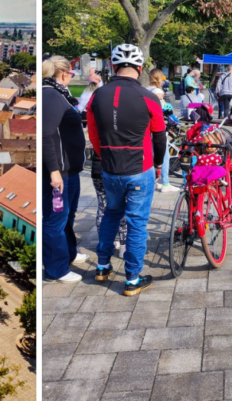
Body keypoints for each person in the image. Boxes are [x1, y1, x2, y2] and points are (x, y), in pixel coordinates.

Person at [87, 44, 166, 296]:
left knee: (111, 214)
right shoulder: (149, 97)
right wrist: (158, 164)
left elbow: (93, 134)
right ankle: (132, 279)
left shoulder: (97, 96)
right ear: (140, 68)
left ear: (112, 66)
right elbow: (160, 136)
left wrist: (105, 156)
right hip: (139, 168)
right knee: (136, 224)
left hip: (110, 168)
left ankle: (102, 266)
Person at [42, 56, 88, 283]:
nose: (71, 77)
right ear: (63, 74)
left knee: (68, 215)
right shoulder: (50, 95)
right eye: (71, 74)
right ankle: (56, 269)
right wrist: (53, 171)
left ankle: (69, 253)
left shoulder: (59, 94)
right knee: (55, 220)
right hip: (59, 172)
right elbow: (45, 134)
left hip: (70, 170)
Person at [148, 68, 180, 193]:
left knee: (150, 155)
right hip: (157, 126)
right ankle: (165, 183)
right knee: (164, 155)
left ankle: (153, 182)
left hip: (147, 127)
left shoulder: (146, 90)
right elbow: (161, 109)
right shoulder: (158, 92)